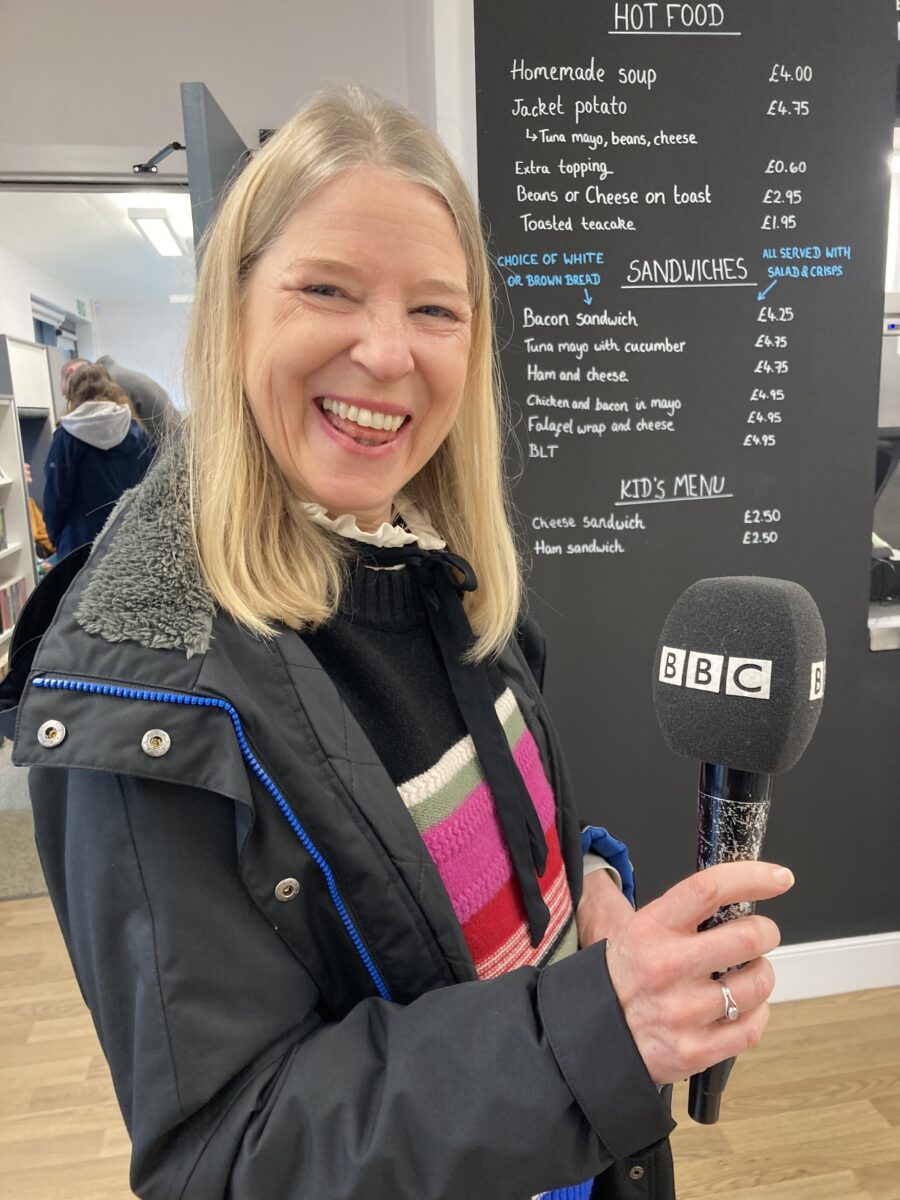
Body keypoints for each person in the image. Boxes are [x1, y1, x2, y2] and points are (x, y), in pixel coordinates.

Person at [8, 89, 791, 1200]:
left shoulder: (439, 567)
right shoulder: (145, 690)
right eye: (326, 290)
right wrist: (593, 1032)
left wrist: (588, 893)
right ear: (234, 314)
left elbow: (487, 866)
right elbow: (226, 1158)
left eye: (437, 309)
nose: (386, 353)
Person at [42, 362, 154, 558]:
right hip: (129, 542)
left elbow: (56, 497)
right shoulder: (136, 432)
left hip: (79, 547)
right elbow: (151, 486)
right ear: (110, 388)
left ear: (74, 394)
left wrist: (55, 538)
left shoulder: (66, 437)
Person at [60, 355, 179, 446]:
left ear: (71, 372)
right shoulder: (121, 376)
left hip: (166, 450)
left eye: (69, 396)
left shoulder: (107, 386)